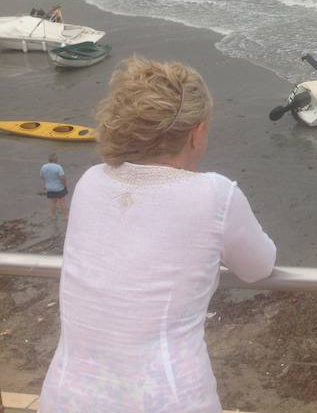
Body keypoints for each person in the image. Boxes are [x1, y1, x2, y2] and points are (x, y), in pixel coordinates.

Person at [40, 57, 276, 412]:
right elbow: (259, 267)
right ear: (196, 134)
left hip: (66, 397)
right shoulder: (215, 194)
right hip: (166, 400)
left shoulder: (91, 180)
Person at [40, 153, 68, 218]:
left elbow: (42, 176)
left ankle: (53, 215)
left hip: (49, 188)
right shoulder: (58, 167)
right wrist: (65, 185)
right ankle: (66, 216)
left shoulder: (43, 167)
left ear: (49, 159)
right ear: (56, 160)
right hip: (59, 188)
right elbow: (62, 178)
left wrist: (46, 183)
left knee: (53, 202)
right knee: (62, 202)